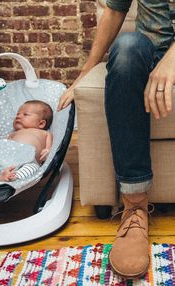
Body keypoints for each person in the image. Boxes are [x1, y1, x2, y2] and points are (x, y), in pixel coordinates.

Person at [58, 0, 175, 279]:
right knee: (126, 48)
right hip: (149, 53)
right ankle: (134, 206)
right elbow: (114, 10)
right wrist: (83, 75)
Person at [0, 100, 53, 182]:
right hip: (1, 159)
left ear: (41, 123)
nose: (18, 116)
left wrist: (48, 151)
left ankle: (8, 178)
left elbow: (50, 148)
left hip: (26, 161)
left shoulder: (44, 133)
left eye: (25, 114)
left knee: (33, 168)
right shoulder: (13, 134)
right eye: (17, 114)